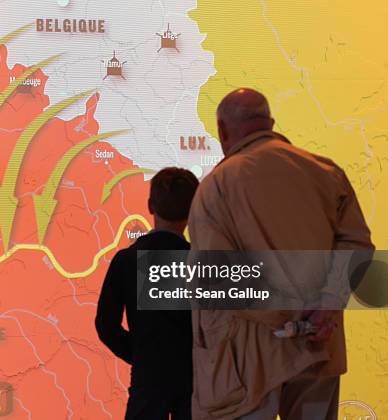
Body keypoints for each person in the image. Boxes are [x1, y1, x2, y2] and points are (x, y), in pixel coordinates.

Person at [188, 88, 375, 419]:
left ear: (222, 130)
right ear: (270, 123)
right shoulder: (326, 172)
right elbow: (357, 245)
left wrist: (291, 319)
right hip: (320, 348)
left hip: (248, 363)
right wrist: (324, 308)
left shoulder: (216, 186)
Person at [95, 167, 199, 420]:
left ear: (151, 206)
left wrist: (142, 355)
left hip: (148, 384)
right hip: (195, 384)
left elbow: (106, 326)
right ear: (194, 209)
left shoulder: (128, 260)